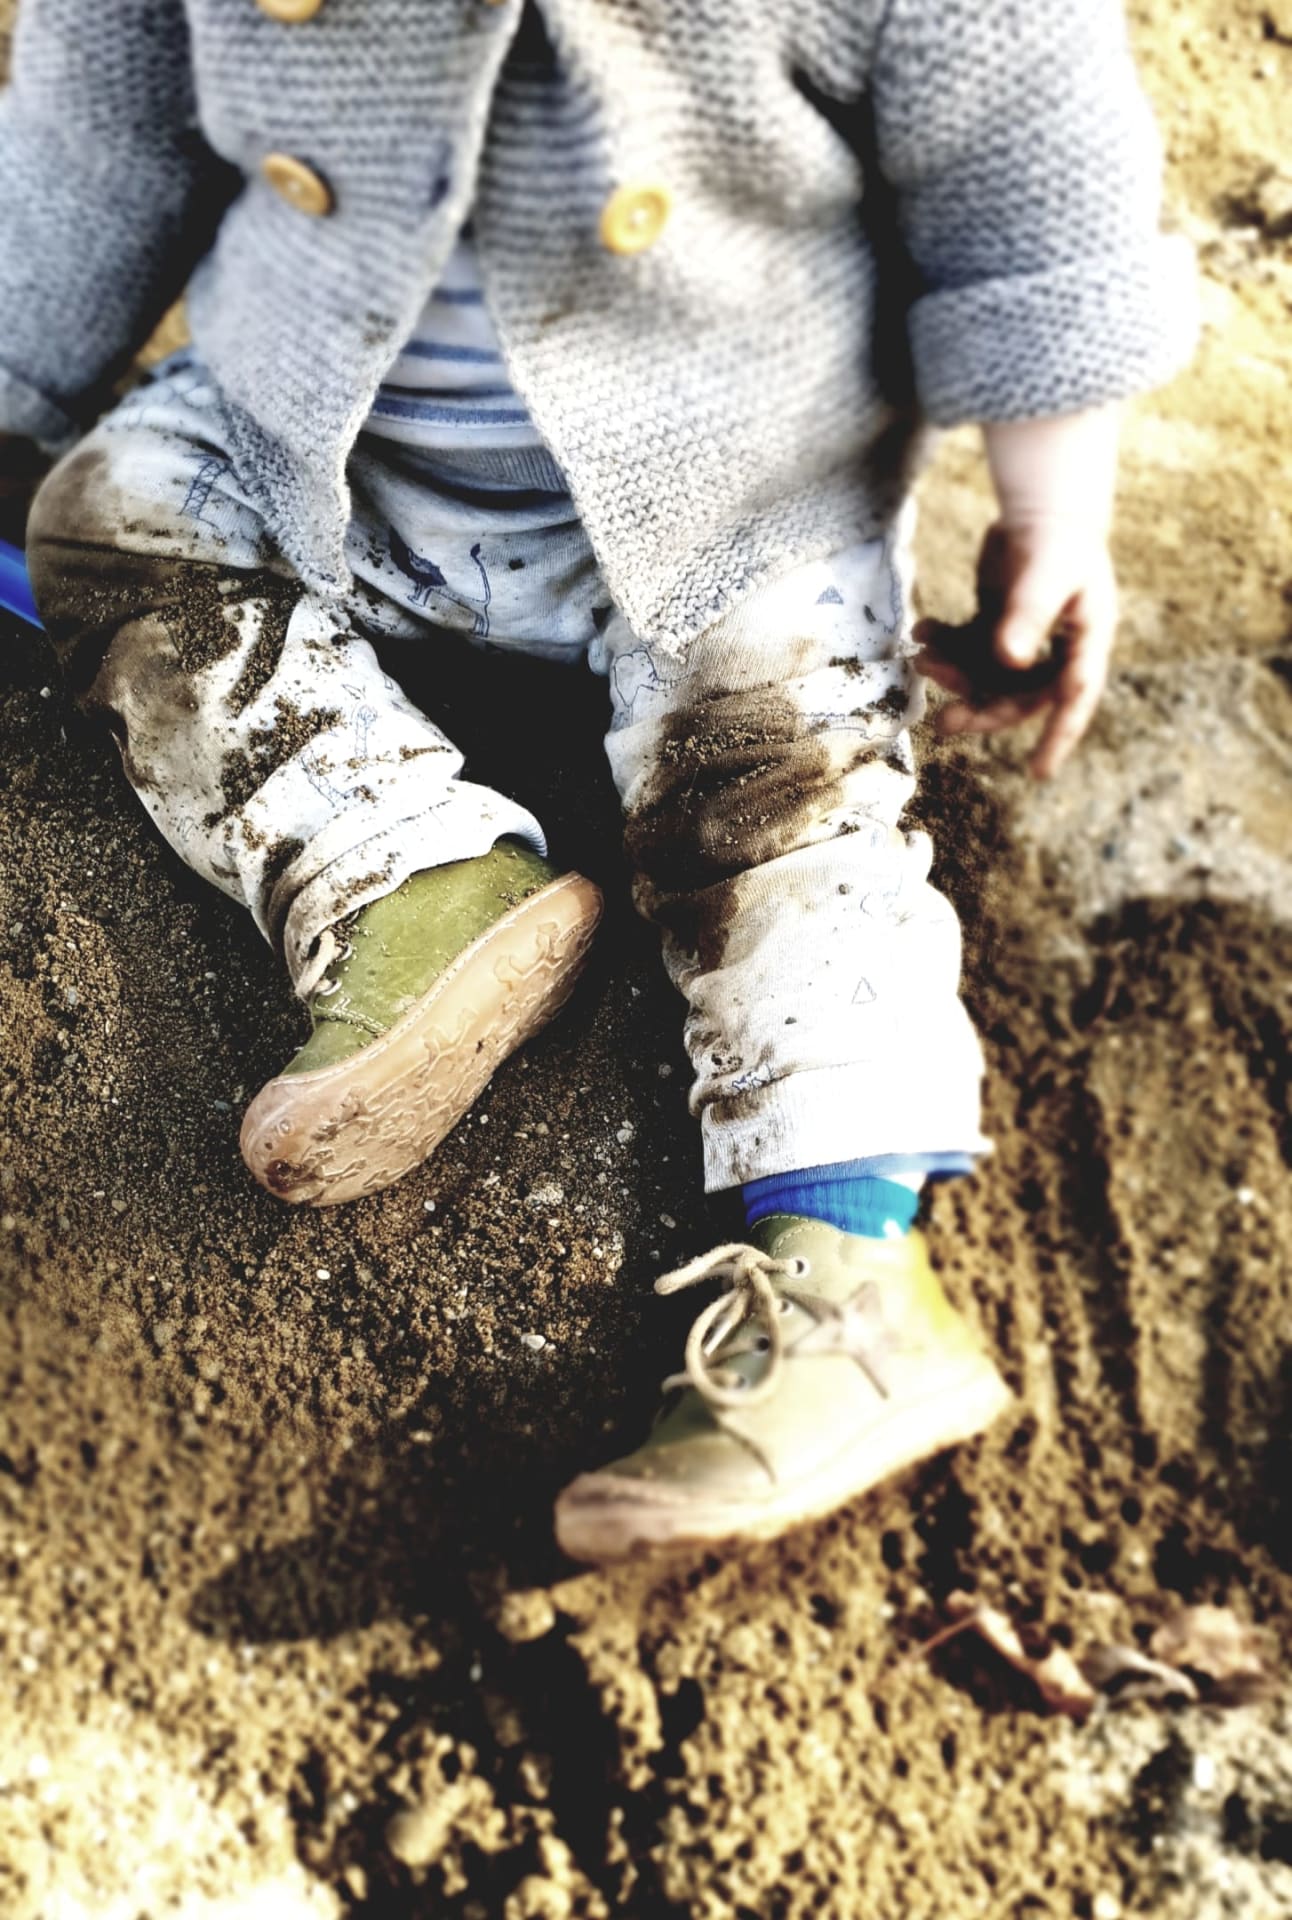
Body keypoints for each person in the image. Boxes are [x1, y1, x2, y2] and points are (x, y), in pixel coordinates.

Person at [0, 0, 1195, 1562]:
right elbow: (96, 136)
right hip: (326, 460)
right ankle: (405, 877)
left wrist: (1054, 506)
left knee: (779, 789)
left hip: (738, 499)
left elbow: (1024, 144)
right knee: (112, 518)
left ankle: (845, 1284)